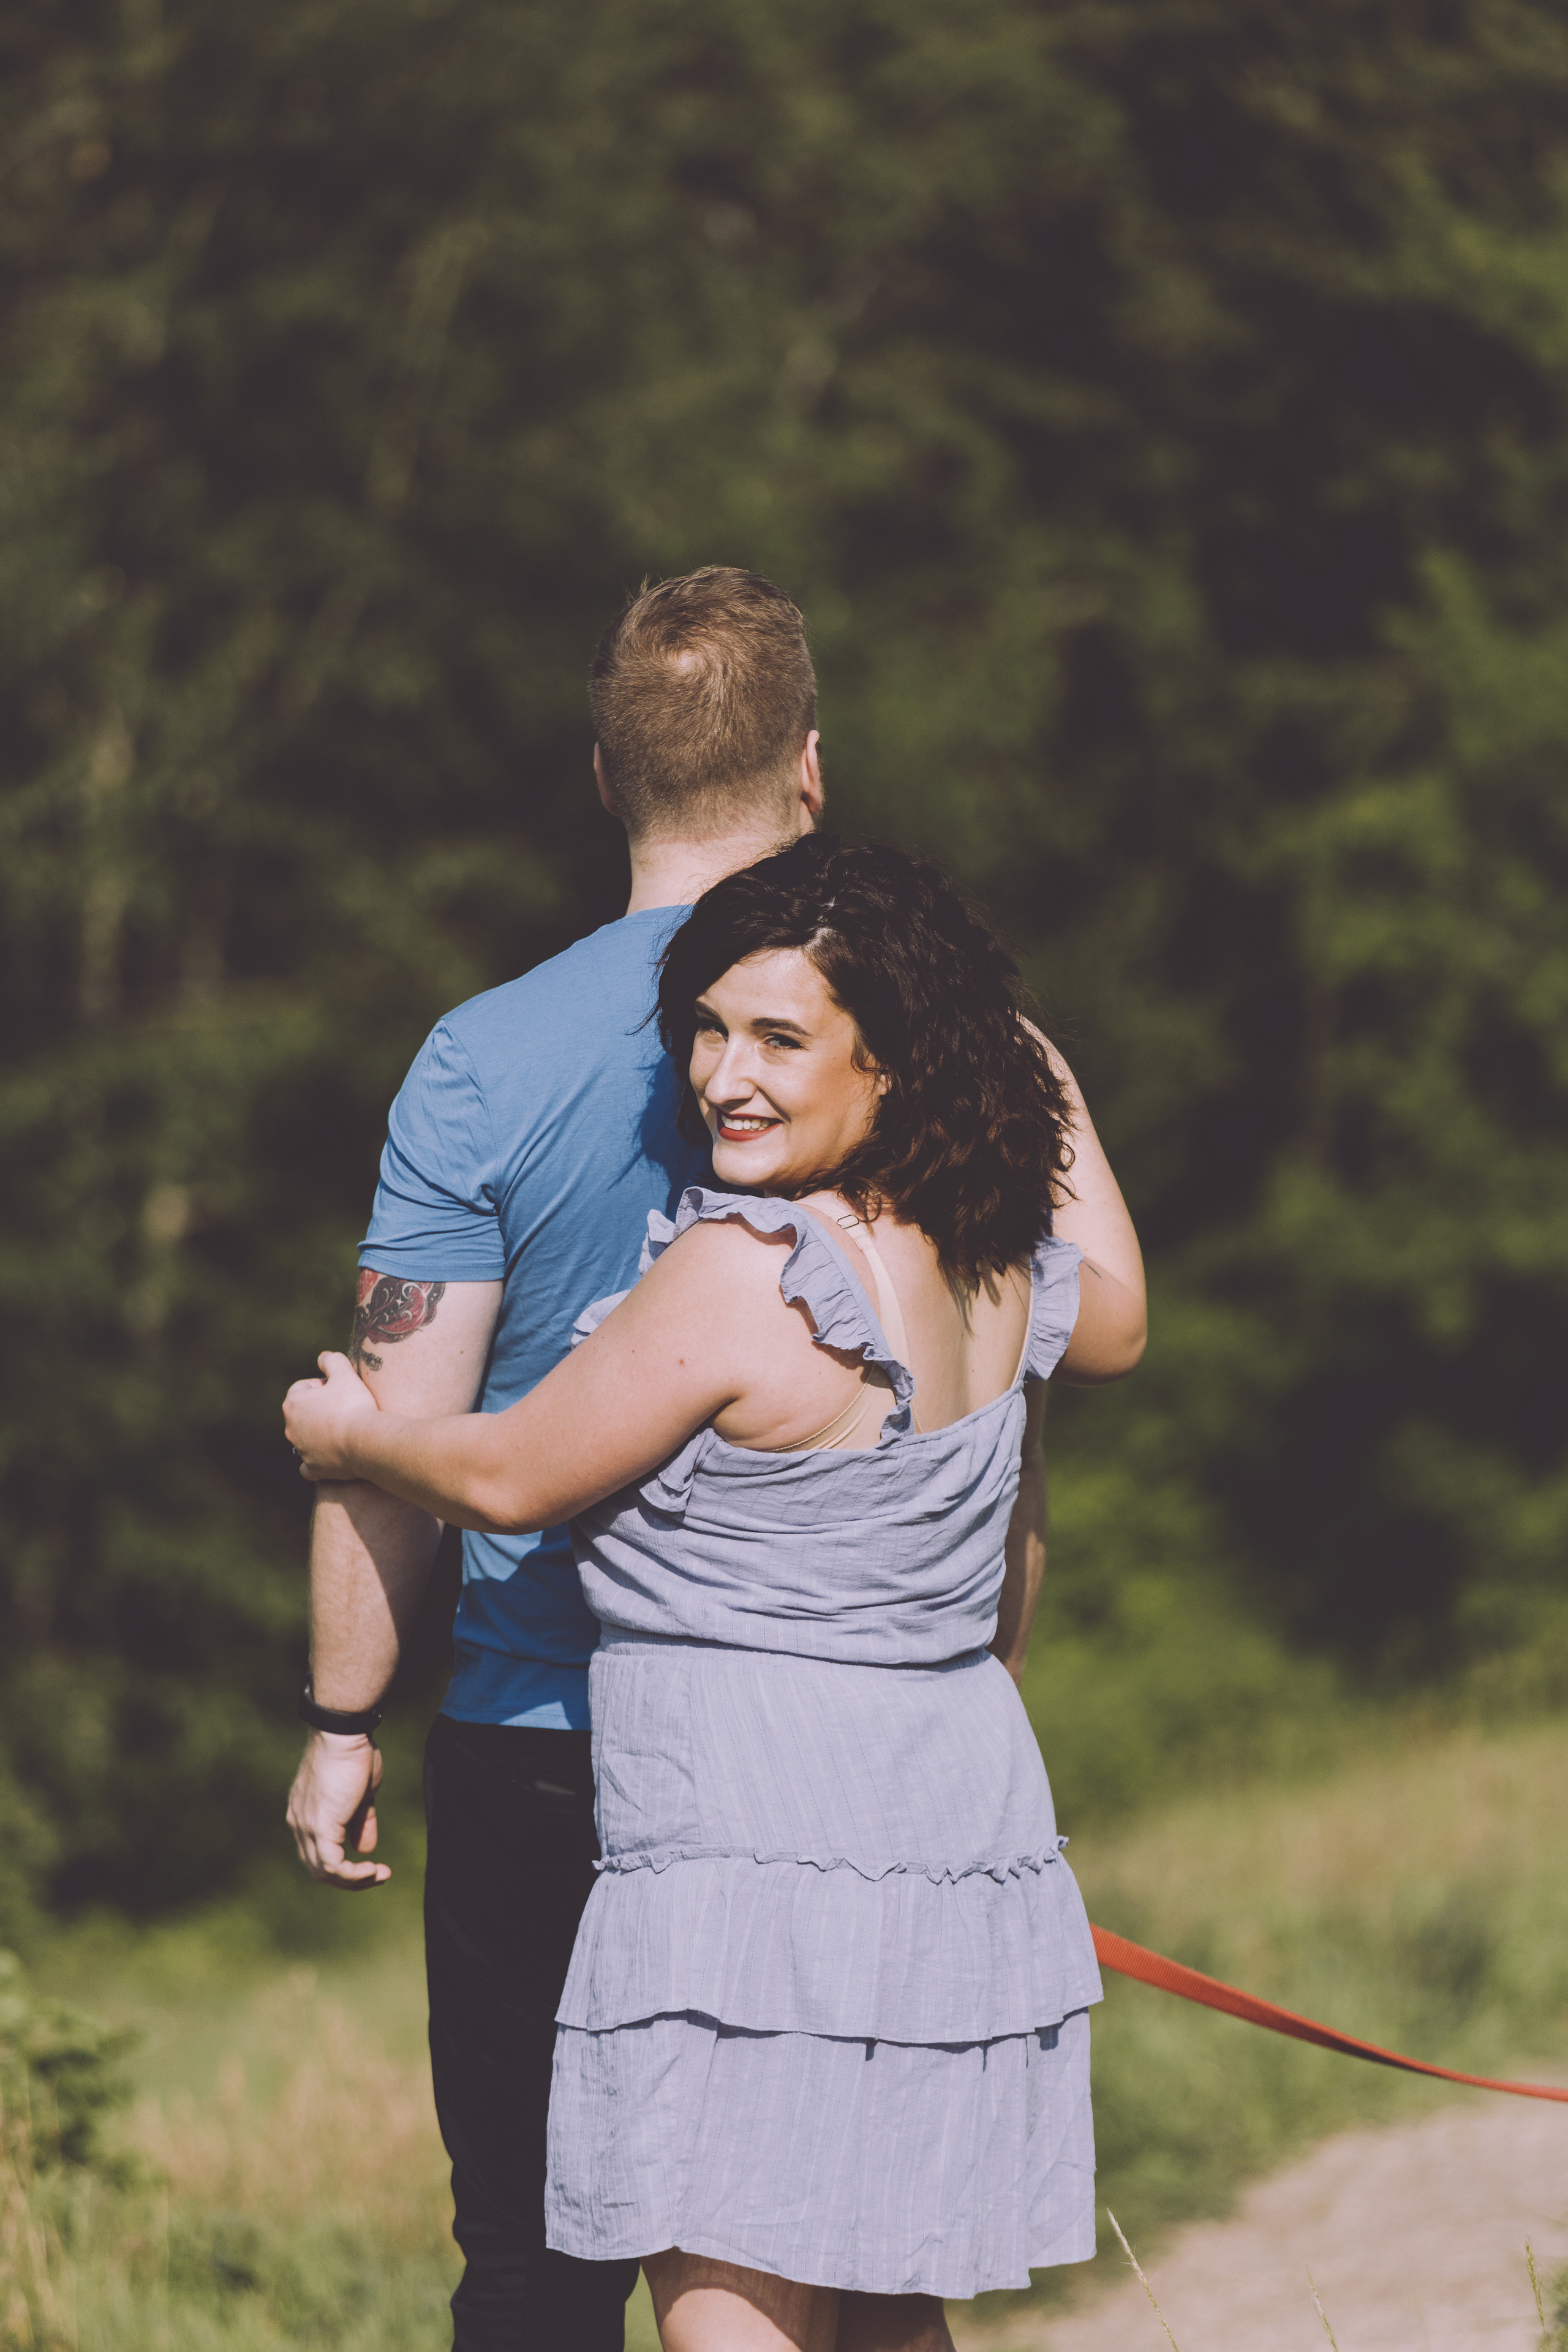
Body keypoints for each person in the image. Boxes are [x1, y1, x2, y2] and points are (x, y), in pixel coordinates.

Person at [284, 832, 1147, 2352]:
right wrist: (1024, 1051)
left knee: (730, 2314)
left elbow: (506, 1477)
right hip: (945, 1833)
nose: (719, 1077)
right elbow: (1123, 1319)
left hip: (752, 1856)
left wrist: (347, 1433)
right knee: (885, 2309)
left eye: (778, 1038)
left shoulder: (753, 1270)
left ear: (889, 1065)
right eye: (705, 1027)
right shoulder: (993, 1258)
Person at [284, 567, 826, 2351]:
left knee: (532, 2265)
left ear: (604, 777)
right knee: (808, 2255)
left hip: (544, 1744)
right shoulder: (894, 1043)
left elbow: (392, 1436)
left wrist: (343, 1717)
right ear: (808, 772)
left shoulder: (480, 1061)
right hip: (808, 1735)